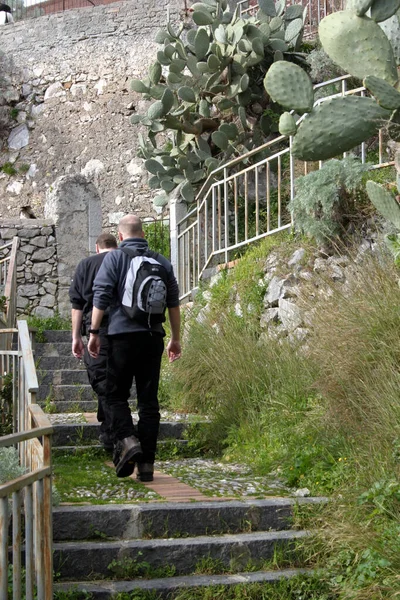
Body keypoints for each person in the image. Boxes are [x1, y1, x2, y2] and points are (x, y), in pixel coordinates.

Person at [87, 214, 181, 481]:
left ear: (120, 236)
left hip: (121, 337)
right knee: (149, 403)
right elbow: (173, 302)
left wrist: (94, 332)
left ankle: (128, 442)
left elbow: (101, 294)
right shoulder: (161, 261)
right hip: (153, 337)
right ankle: (147, 467)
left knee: (115, 395)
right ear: (143, 233)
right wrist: (175, 338)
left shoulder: (115, 258)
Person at [69, 232, 118, 451]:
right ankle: (111, 430)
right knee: (115, 382)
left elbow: (77, 304)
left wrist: (76, 337)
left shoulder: (86, 265)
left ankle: (114, 434)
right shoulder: (124, 262)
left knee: (102, 380)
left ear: (97, 248)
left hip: (97, 331)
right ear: (115, 245)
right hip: (127, 330)